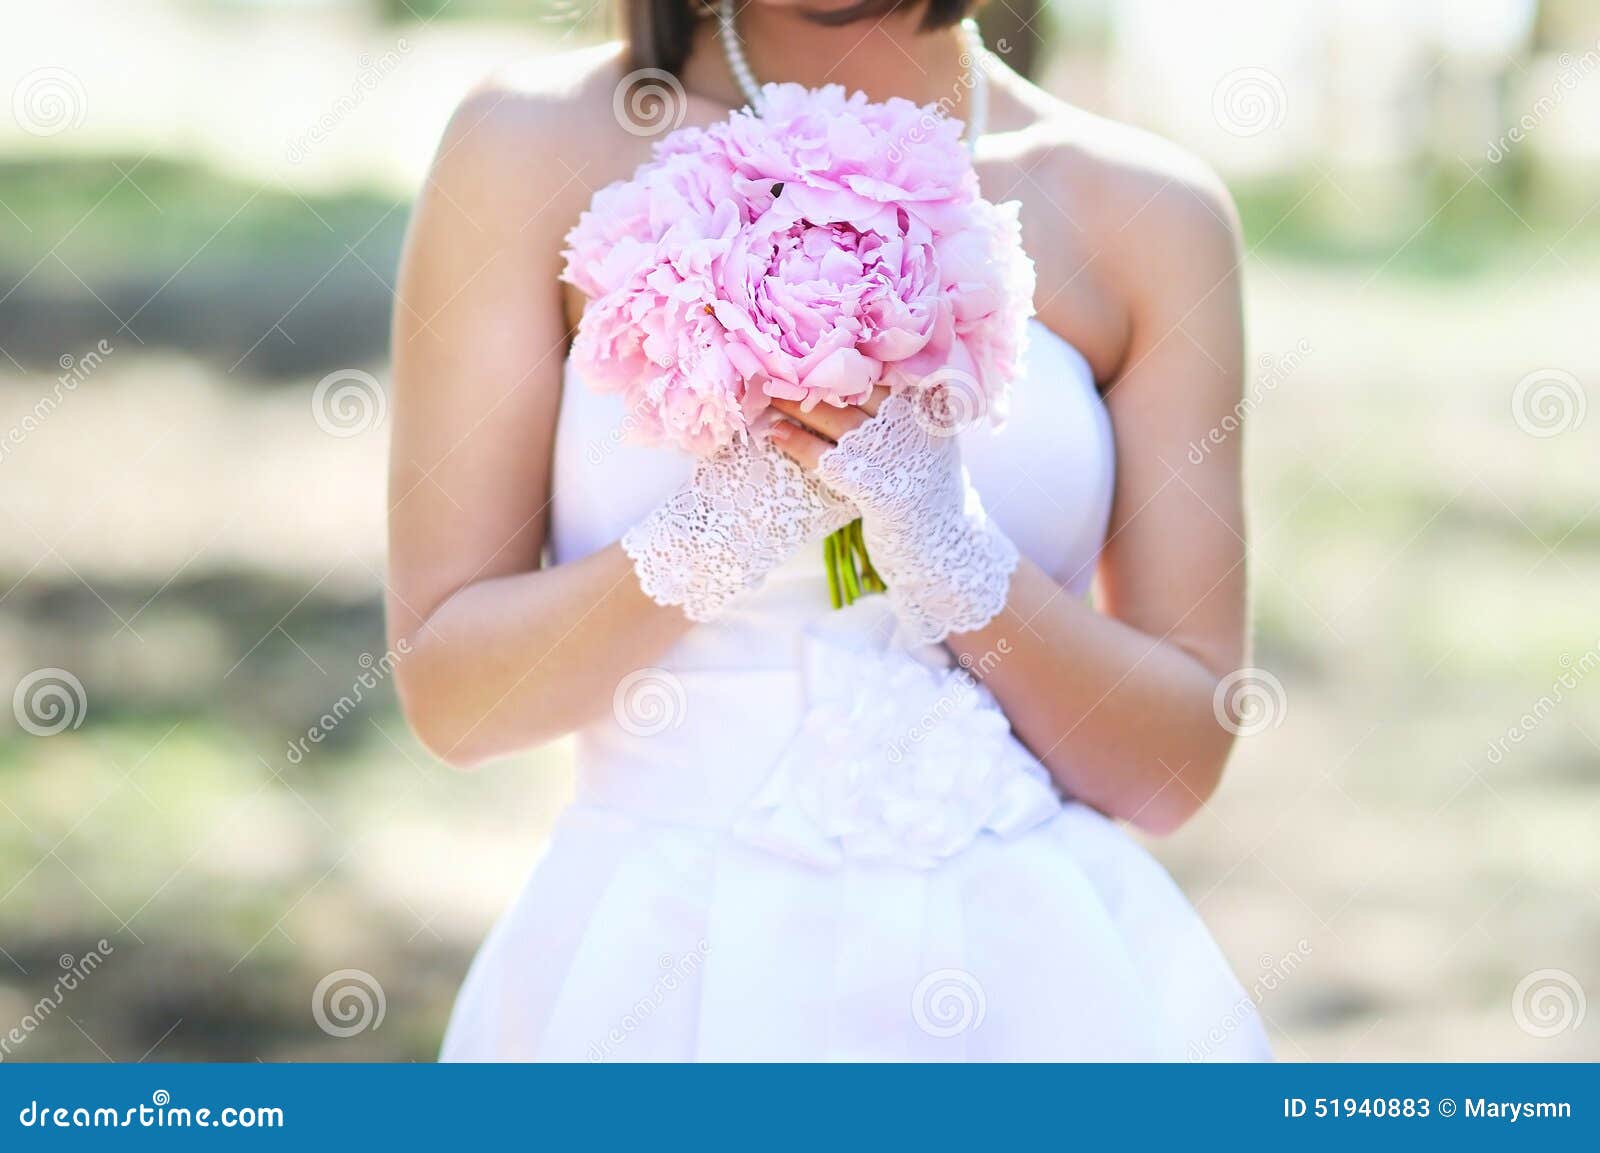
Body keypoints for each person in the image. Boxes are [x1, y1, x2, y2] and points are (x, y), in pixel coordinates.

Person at [387, 0, 1268, 1061]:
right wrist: (718, 530)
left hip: (1032, 984)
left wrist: (952, 551)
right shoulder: (527, 144)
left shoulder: (1150, 211)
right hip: (657, 976)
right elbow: (453, 697)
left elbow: (1172, 767)